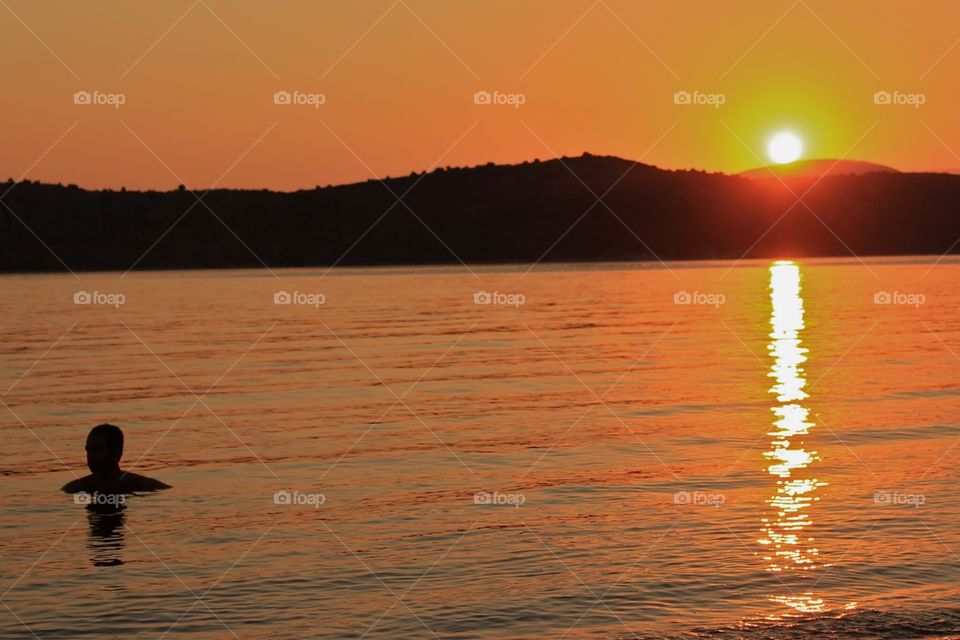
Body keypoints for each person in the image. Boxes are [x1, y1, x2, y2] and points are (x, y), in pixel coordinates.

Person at [61, 423, 171, 494]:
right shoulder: (73, 489)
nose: (91, 456)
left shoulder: (146, 486)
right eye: (89, 450)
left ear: (116, 452)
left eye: (97, 449)